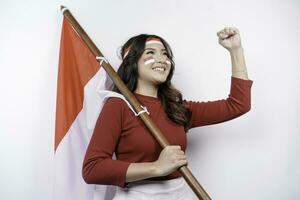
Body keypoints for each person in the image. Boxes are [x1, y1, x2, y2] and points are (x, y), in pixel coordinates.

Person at [82, 27, 253, 200]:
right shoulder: (118, 105)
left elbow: (238, 105)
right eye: (150, 52)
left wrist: (235, 50)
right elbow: (92, 168)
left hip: (182, 195)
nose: (162, 59)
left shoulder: (177, 108)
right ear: (132, 62)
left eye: (165, 54)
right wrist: (155, 167)